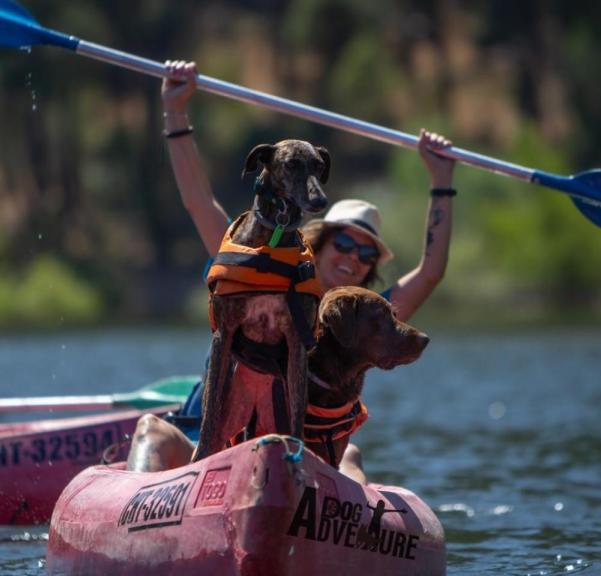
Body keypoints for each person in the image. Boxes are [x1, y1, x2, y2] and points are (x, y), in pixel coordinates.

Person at [126, 61, 457, 483]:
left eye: (366, 253)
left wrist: (441, 179)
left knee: (351, 454)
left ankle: (341, 513)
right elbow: (199, 202)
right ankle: (144, 500)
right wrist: (175, 112)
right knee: (151, 430)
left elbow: (431, 272)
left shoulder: (369, 320)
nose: (354, 258)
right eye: (344, 243)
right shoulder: (255, 261)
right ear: (320, 243)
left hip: (290, 453)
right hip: (204, 437)